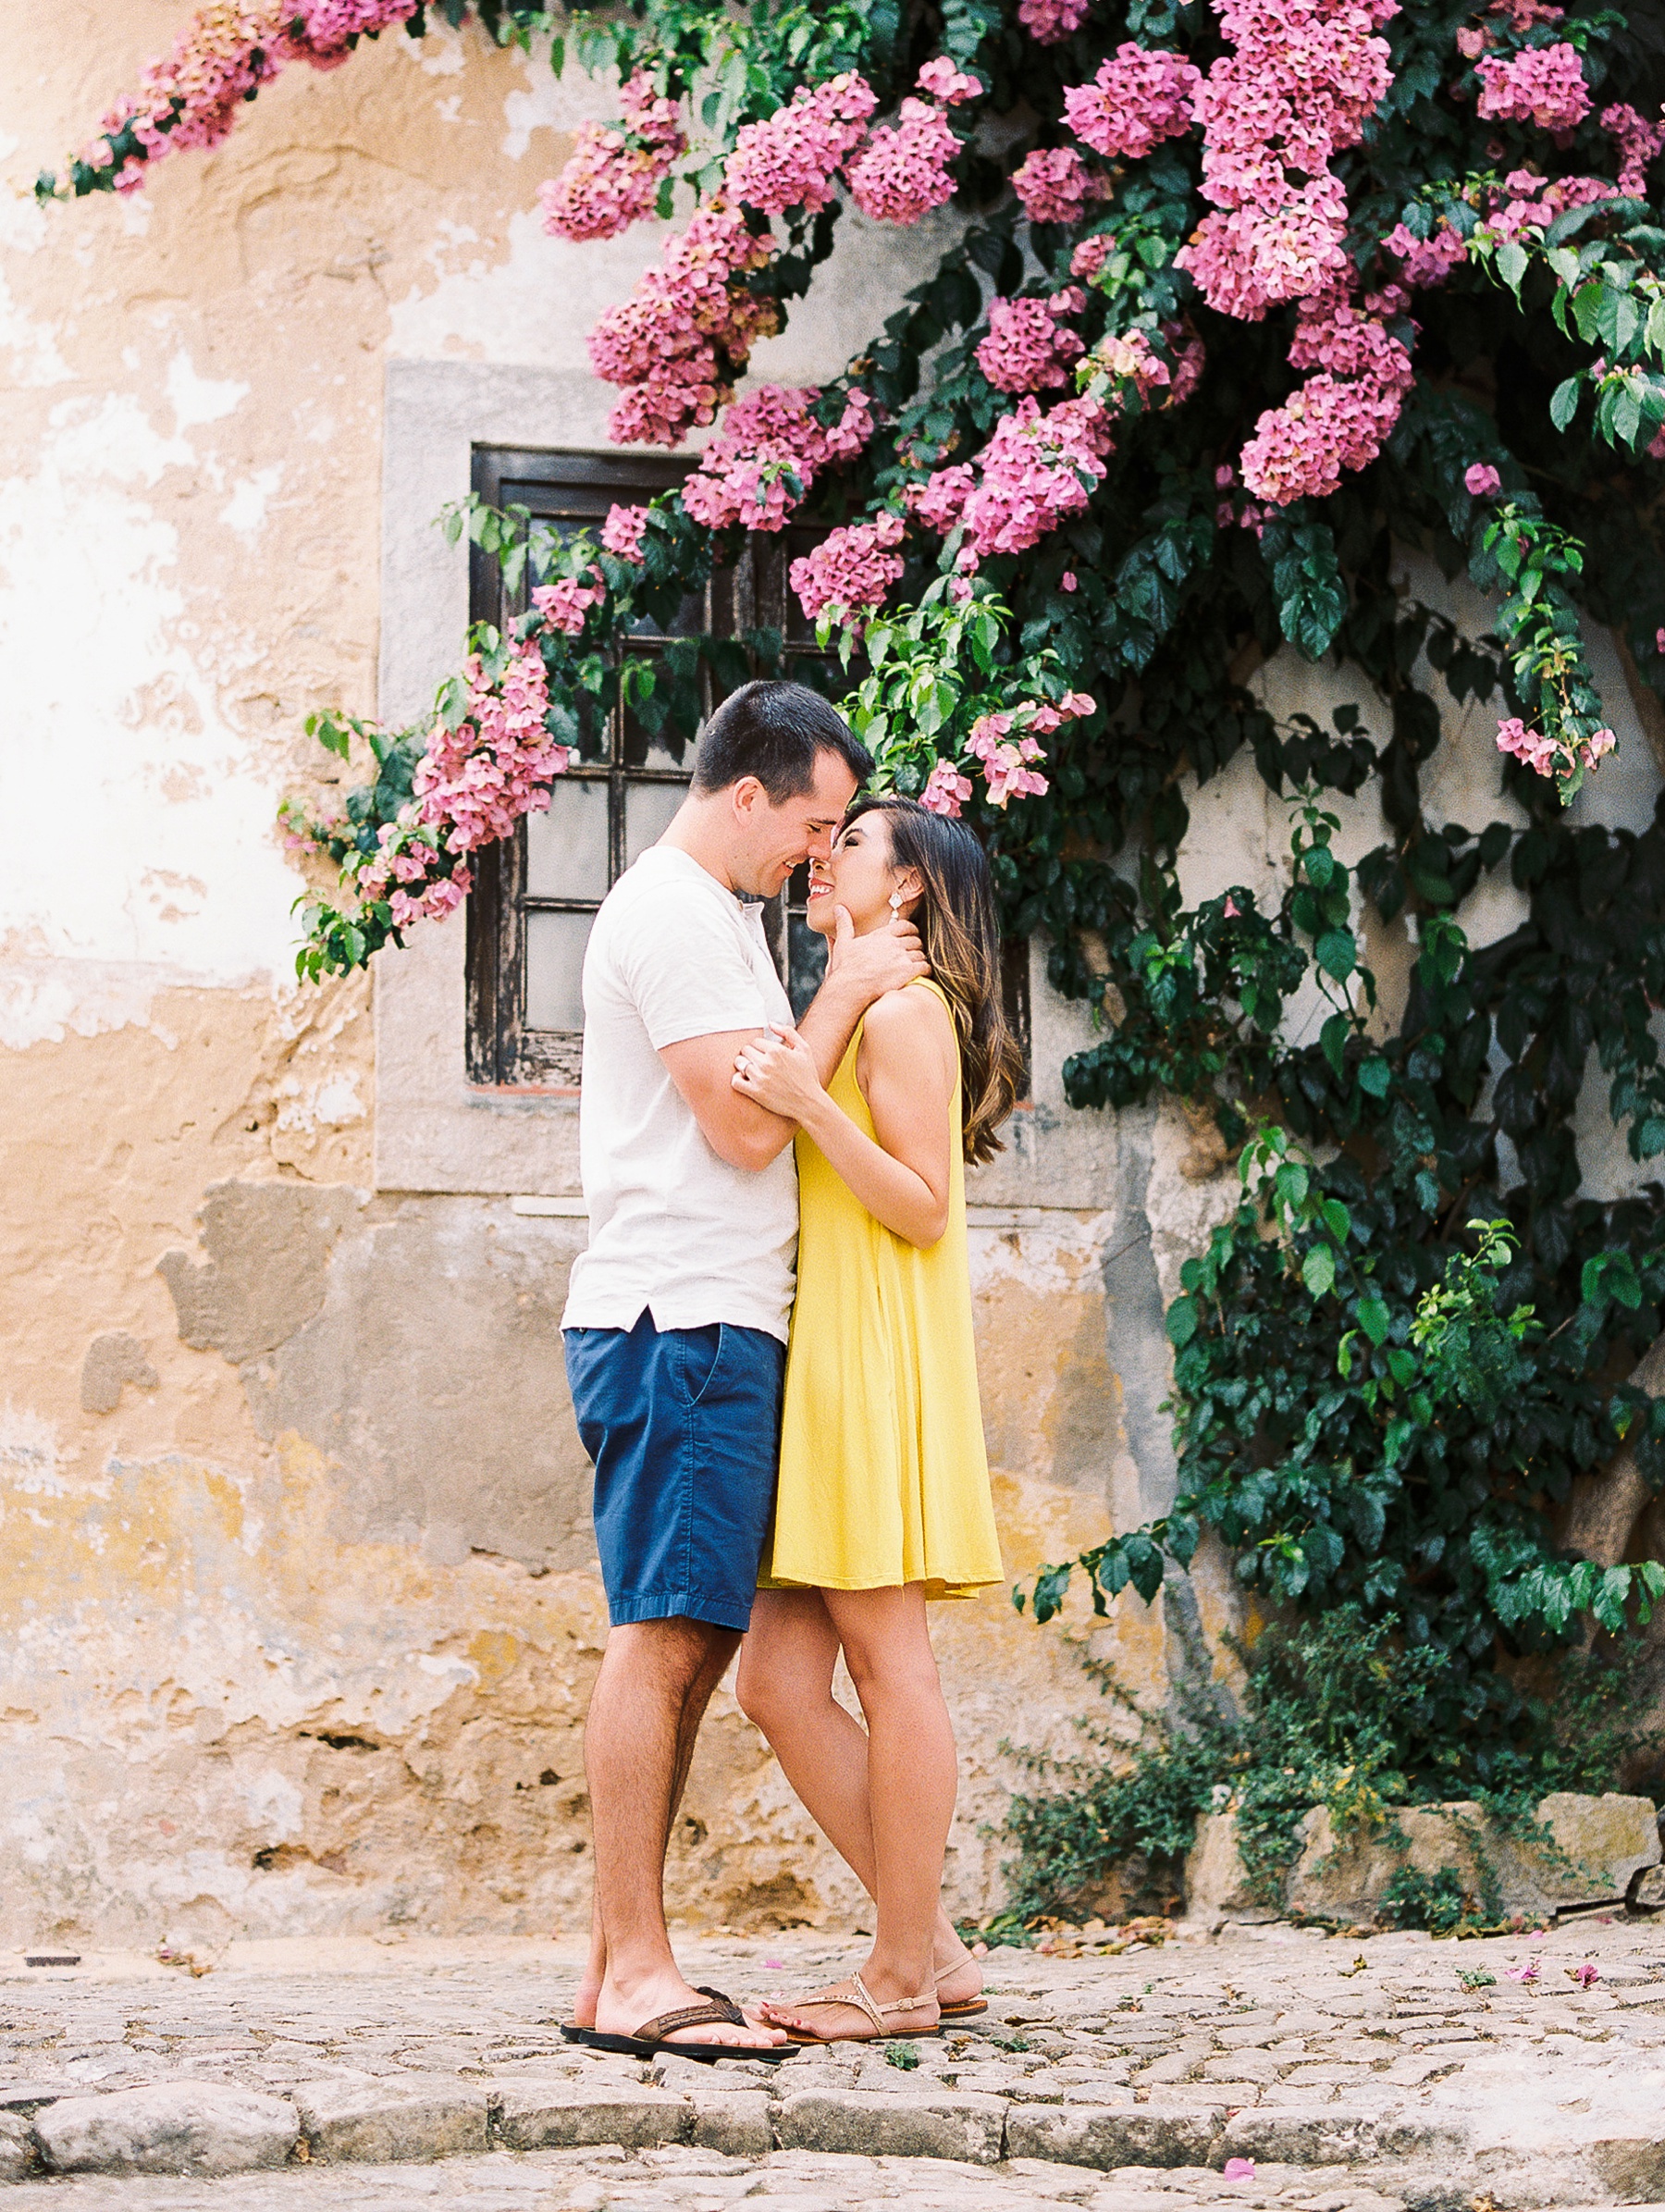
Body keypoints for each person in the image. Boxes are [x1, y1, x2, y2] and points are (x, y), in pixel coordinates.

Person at [560, 682, 929, 2061]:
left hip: (709, 1326)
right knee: (666, 1638)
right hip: (683, 1324)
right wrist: (844, 989)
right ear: (748, 795)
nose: (822, 858)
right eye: (816, 826)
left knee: (697, 1643)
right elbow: (741, 1129)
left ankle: (615, 1968)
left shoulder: (714, 920)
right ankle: (643, 1973)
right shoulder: (673, 914)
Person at [728, 793, 1022, 2045]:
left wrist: (808, 1099)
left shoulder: (904, 1013)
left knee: (889, 1665)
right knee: (780, 1681)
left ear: (907, 891)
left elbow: (919, 1206)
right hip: (827, 1355)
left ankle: (898, 1976)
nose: (823, 850)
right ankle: (934, 1944)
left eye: (851, 842)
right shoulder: (863, 1004)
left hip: (873, 1358)